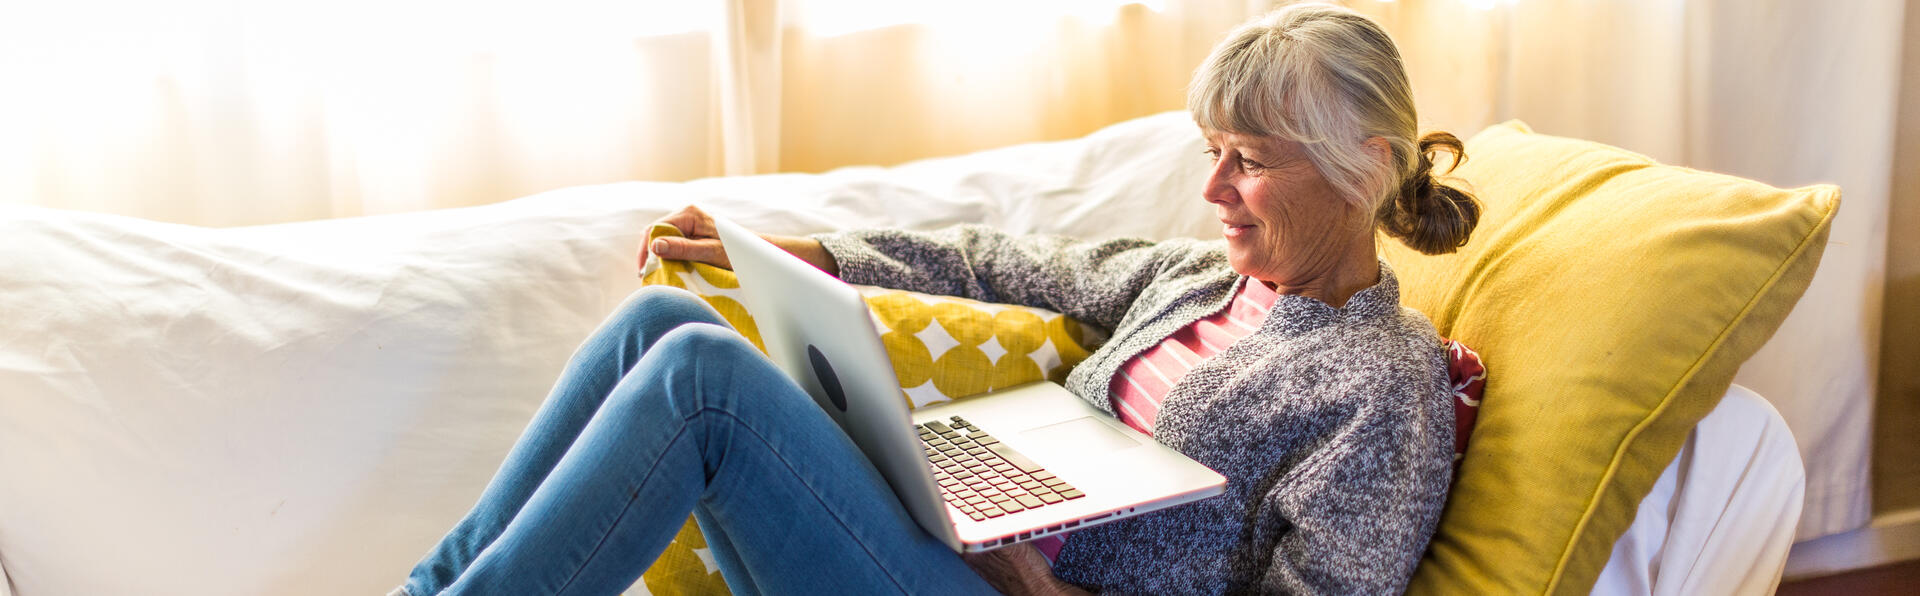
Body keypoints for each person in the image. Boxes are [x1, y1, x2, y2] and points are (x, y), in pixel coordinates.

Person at [392, 3, 1480, 594]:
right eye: (1212, 152)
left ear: (1361, 165)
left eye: (1246, 159)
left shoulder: (1380, 386)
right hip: (966, 539)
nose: (1212, 190)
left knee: (703, 382)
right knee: (661, 322)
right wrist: (809, 247)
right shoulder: (1196, 278)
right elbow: (997, 263)